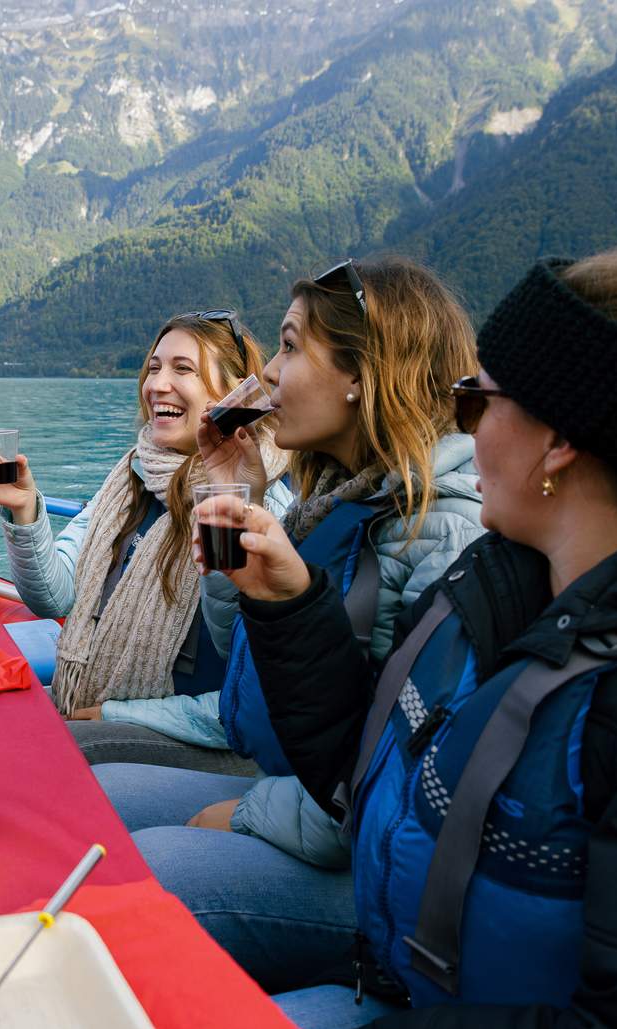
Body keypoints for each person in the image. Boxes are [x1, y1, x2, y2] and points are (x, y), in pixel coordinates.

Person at [196, 234, 617, 1029]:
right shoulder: (499, 583)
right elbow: (363, 775)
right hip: (408, 994)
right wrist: (291, 606)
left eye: (475, 402)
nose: (460, 427)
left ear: (558, 442)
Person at [94, 255, 483, 878]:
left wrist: (247, 811)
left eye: (290, 347)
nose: (269, 371)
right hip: (291, 780)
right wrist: (228, 491)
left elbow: (392, 777)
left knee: (139, 870)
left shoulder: (445, 531)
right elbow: (241, 649)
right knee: (87, 805)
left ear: (363, 374)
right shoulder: (330, 499)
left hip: (360, 852)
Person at [0, 311, 291, 773]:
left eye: (183, 369)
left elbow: (249, 697)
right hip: (96, 703)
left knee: (23, 756)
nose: (157, 384)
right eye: (155, 367)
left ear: (233, 396)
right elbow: (55, 596)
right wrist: (25, 512)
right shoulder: (131, 476)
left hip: (205, 739)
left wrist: (116, 714)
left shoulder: (258, 505)